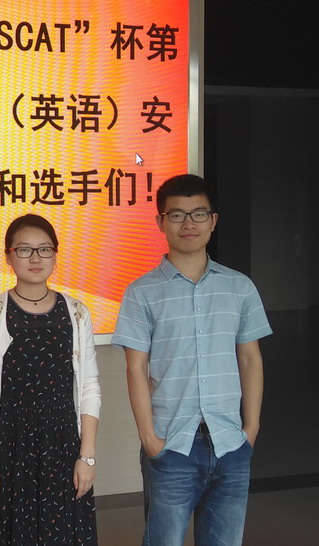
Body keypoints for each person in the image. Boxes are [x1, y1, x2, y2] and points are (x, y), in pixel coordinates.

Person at [112, 174, 272, 546]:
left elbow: (250, 360)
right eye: (177, 214)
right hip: (171, 444)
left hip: (230, 442)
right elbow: (135, 367)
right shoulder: (141, 292)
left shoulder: (240, 287)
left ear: (213, 221)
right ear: (160, 222)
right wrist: (149, 438)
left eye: (198, 214)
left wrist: (251, 428)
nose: (189, 223)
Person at [0, 213, 101, 545]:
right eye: (24, 250)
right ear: (8, 256)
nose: (35, 258)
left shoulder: (77, 312)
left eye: (44, 249)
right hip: (8, 446)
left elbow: (89, 387)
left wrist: (87, 456)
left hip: (64, 444)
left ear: (55, 255)